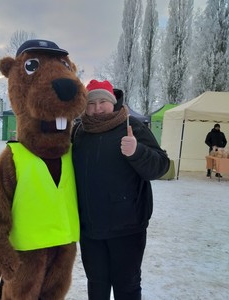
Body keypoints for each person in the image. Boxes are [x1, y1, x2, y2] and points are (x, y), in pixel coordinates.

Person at [72, 79, 170, 300]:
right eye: (91, 103)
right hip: (91, 230)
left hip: (127, 229)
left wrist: (137, 152)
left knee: (127, 287)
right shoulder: (79, 132)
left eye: (102, 102)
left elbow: (161, 166)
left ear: (113, 102)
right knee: (97, 287)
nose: (97, 109)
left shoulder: (132, 126)